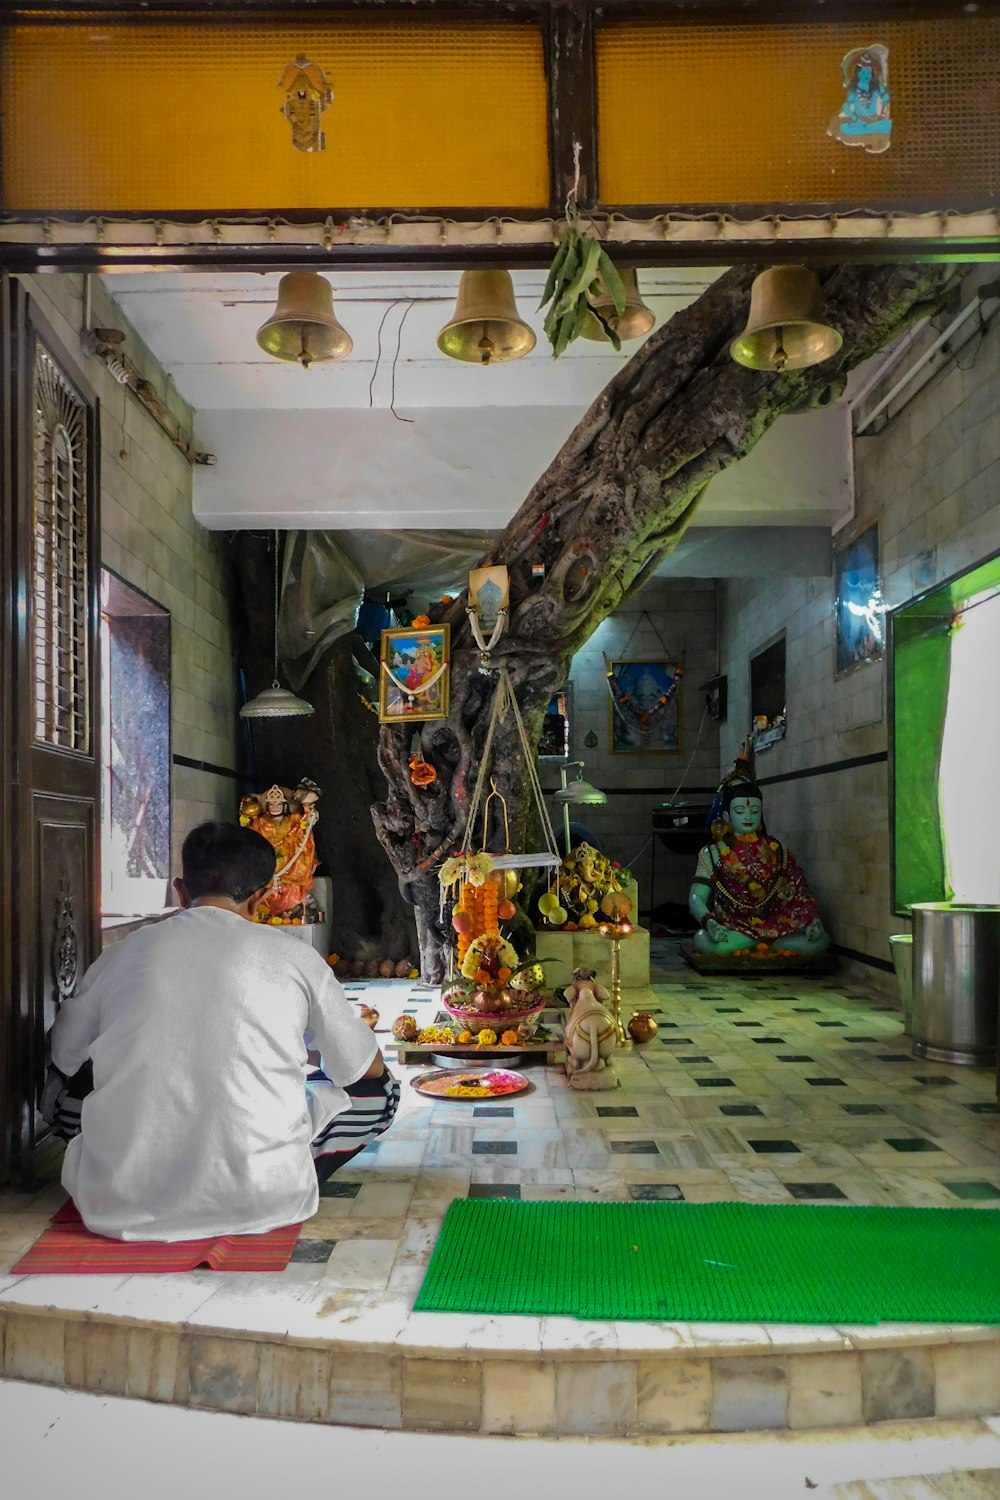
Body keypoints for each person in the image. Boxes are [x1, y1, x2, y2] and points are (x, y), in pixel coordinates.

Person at [43, 821, 398, 1242]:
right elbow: (362, 1069)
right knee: (384, 1095)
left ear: (179, 890)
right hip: (264, 1197)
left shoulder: (120, 955)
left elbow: (64, 1056)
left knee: (58, 1095)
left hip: (118, 1201)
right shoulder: (297, 958)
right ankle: (283, 1167)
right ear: (263, 898)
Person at [688, 763, 829, 958]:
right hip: (733, 925)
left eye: (754, 811)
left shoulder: (776, 851)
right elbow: (696, 897)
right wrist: (708, 921)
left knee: (821, 941)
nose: (748, 816)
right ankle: (766, 941)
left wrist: (813, 919)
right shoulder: (713, 852)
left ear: (761, 814)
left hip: (775, 922)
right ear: (727, 815)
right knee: (704, 940)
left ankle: (760, 941)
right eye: (740, 811)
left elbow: (800, 894)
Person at [239, 781, 320, 920]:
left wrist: (308, 807)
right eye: (272, 804)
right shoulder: (260, 823)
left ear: (285, 806)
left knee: (300, 858)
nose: (275, 807)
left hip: (290, 866)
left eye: (278, 804)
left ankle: (294, 905)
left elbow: (305, 824)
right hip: (267, 868)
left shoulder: (293, 822)